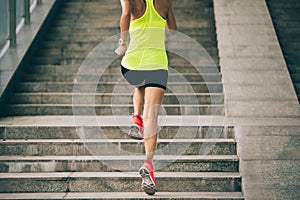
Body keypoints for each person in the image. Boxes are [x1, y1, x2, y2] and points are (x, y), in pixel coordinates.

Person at [115, 0, 176, 195]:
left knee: (139, 86)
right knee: (153, 115)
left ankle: (135, 117)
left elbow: (125, 14)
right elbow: (173, 29)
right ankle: (148, 163)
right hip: (157, 63)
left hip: (131, 63)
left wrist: (123, 44)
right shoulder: (164, 2)